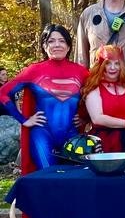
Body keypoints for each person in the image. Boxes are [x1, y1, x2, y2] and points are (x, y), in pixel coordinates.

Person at [0, 25, 88, 174]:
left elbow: (97, 97)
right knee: (48, 177)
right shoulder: (34, 70)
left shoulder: (82, 72)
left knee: (76, 178)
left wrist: (85, 118)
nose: (57, 45)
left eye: (61, 40)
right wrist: (24, 120)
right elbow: (3, 93)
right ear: (44, 46)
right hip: (42, 133)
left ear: (68, 46)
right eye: (51, 41)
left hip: (72, 134)